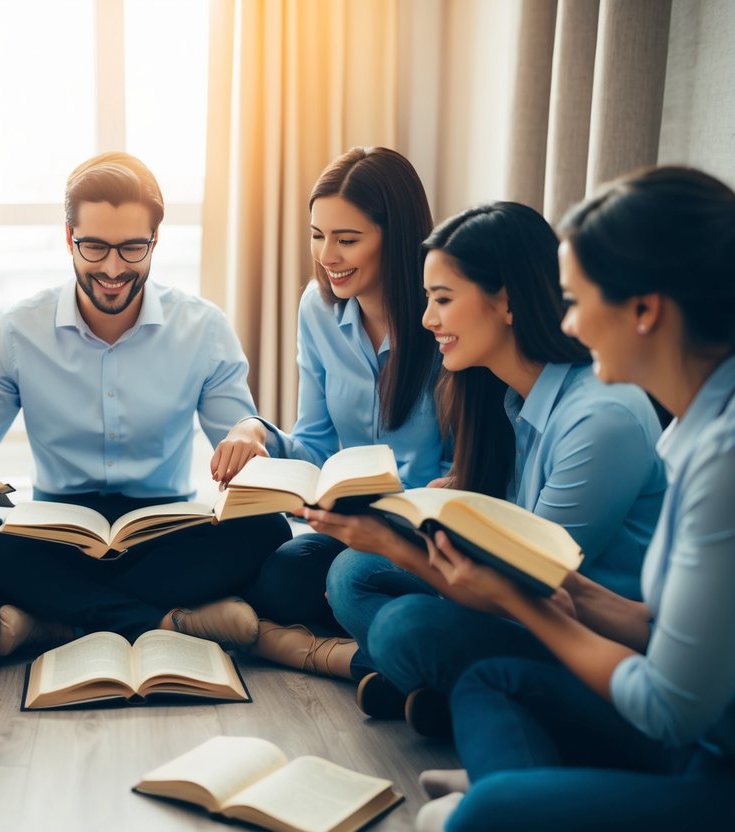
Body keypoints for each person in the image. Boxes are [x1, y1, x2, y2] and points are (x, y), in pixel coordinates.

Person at [414, 167, 735, 831]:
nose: (565, 323)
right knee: (489, 682)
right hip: (697, 733)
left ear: (644, 310)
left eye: (574, 300)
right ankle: (534, 795)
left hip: (709, 753)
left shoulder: (716, 457)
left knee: (484, 816)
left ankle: (510, 799)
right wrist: (566, 590)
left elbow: (667, 707)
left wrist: (518, 600)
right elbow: (659, 628)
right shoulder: (691, 426)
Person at [0, 151, 291, 652]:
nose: (113, 268)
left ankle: (54, 621)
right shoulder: (20, 330)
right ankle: (162, 622)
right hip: (55, 541)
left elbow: (240, 434)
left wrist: (250, 432)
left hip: (167, 538)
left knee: (266, 529)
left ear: (156, 241)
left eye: (133, 248)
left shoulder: (203, 328)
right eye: (94, 247)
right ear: (68, 238)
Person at [321, 201, 665, 735]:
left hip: (583, 635)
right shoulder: (505, 393)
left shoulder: (601, 419)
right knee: (350, 573)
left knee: (402, 628)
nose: (427, 320)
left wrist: (394, 542)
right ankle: (444, 689)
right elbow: (509, 532)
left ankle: (452, 686)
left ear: (505, 302)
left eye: (442, 300)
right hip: (530, 605)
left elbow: (527, 587)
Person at [210, 146, 450, 679]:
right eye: (318, 235)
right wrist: (257, 434)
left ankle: (376, 661)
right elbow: (316, 446)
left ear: (398, 236)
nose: (326, 256)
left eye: (347, 239)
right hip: (350, 525)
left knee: (345, 578)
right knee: (277, 579)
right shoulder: (318, 311)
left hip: (426, 534)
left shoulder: (444, 321)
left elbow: (468, 468)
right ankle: (391, 653)